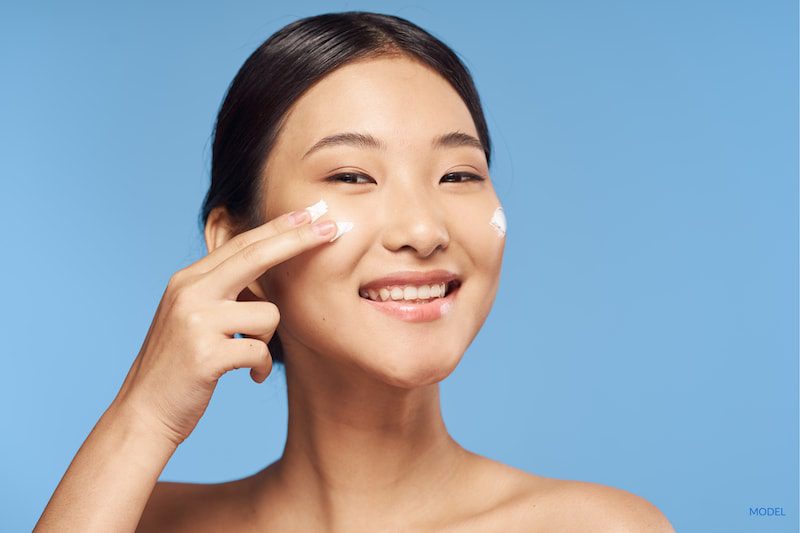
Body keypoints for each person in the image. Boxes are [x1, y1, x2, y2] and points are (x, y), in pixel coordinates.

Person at [35, 11, 675, 532]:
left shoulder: (594, 526)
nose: (424, 232)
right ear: (238, 244)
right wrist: (143, 416)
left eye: (459, 175)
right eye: (351, 176)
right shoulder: (136, 519)